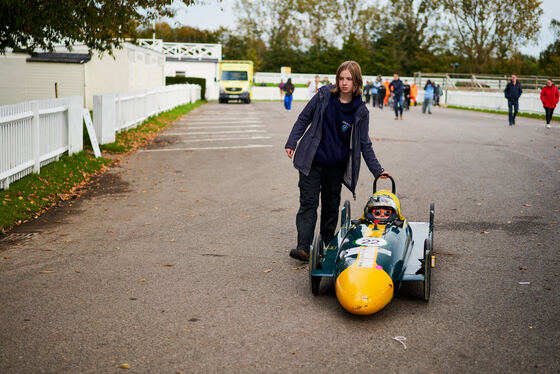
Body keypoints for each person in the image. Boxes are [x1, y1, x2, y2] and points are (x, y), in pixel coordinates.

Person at [284, 61, 390, 261]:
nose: (344, 83)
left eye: (349, 79)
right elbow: (303, 118)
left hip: (335, 166)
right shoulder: (324, 96)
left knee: (331, 207)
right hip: (311, 162)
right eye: (341, 78)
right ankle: (303, 247)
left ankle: (326, 245)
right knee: (308, 203)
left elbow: (364, 143)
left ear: (356, 81)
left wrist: (378, 170)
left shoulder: (360, 111)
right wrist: (292, 142)